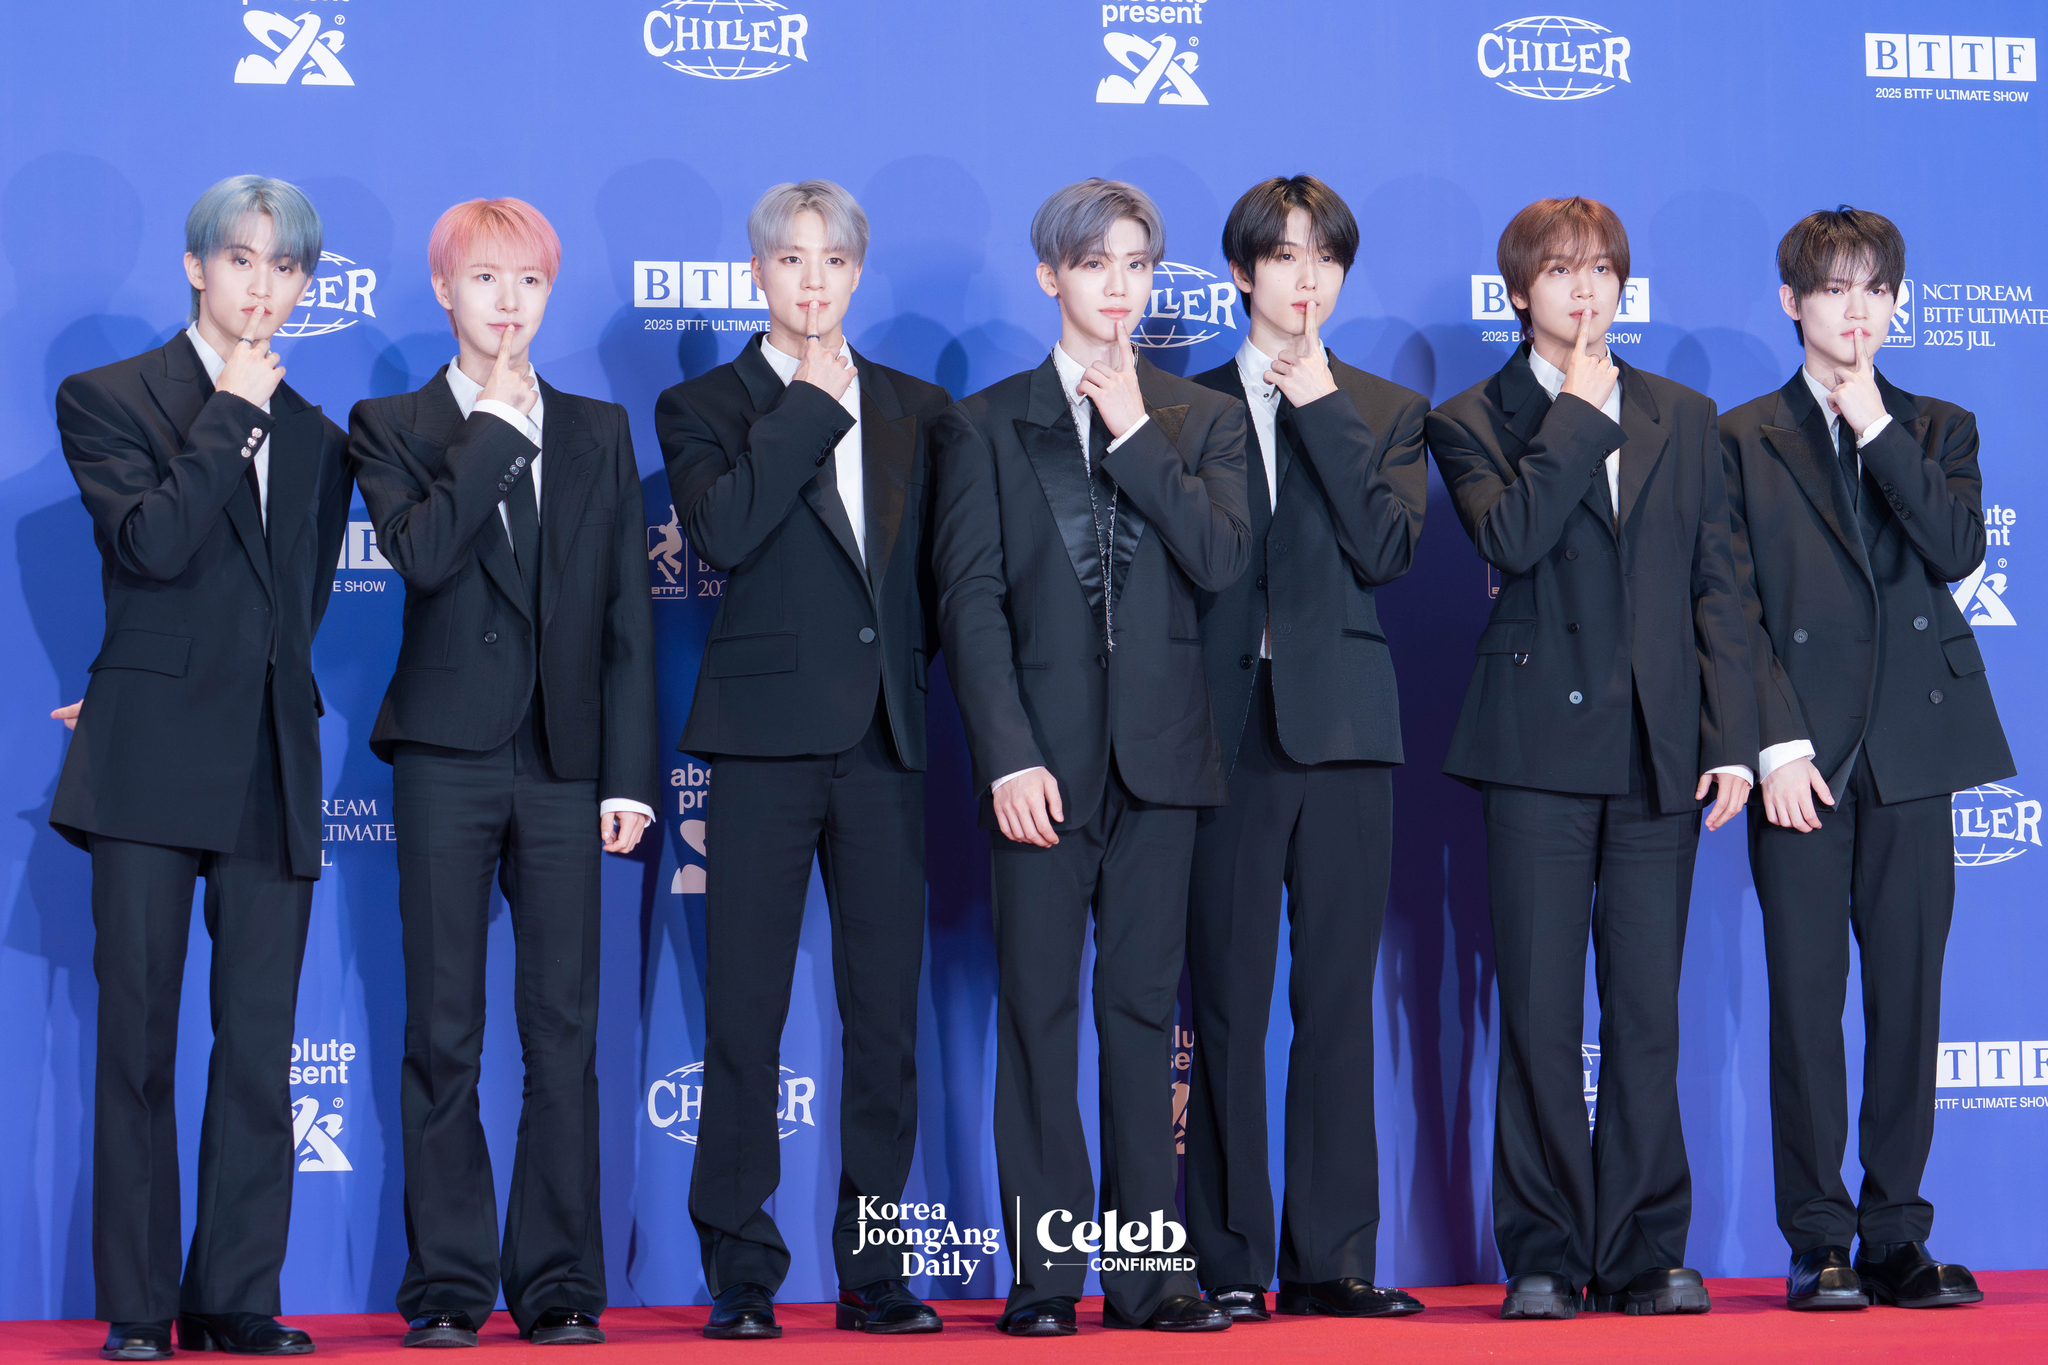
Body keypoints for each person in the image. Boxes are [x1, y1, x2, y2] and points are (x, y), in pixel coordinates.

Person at [1425, 197, 1757, 1320]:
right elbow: (1511, 538)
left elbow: (1716, 586)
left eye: (1602, 269)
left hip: (1658, 750)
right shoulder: (1471, 417)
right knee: (1537, 1009)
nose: (1585, 289)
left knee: (1647, 1010)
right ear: (1518, 292)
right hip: (1533, 750)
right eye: (1561, 271)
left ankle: (1642, 1248)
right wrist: (1573, 407)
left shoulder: (1682, 414)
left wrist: (1731, 738)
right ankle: (1542, 1249)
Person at [929, 178, 1250, 1336]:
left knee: (1140, 1018)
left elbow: (1220, 560)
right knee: (1037, 1018)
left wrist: (1135, 433)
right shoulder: (982, 423)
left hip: (1162, 763)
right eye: (1094, 263)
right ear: (1049, 276)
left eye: (1137, 265)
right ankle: (1045, 1278)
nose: (1119, 287)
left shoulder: (1200, 419)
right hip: (1041, 775)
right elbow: (968, 605)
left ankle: (1149, 1275)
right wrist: (1006, 756)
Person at [348, 198, 659, 1348]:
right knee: (443, 1031)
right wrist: (489, 424)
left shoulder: (597, 430)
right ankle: (446, 1288)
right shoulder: (391, 424)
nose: (509, 302)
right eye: (485, 279)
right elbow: (425, 555)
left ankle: (559, 1284)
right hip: (445, 758)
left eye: (527, 280)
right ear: (444, 290)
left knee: (562, 1034)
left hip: (568, 768)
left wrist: (627, 776)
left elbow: (626, 616)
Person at [50, 173, 350, 1360]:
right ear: (196, 267)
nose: (263, 285)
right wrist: (230, 409)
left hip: (268, 762)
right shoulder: (109, 396)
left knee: (260, 1049)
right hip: (147, 763)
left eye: (286, 267)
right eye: (241, 259)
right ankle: (138, 1309)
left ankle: (234, 1296)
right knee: (138, 1044)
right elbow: (153, 543)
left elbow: (296, 608)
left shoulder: (315, 433)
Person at [655, 180, 952, 1340]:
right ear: (757, 273)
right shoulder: (701, 405)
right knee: (744, 1016)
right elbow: (724, 532)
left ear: (857, 274)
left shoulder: (922, 408)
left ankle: (875, 1270)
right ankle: (740, 1272)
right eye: (790, 259)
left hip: (885, 740)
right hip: (762, 741)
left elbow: (944, 583)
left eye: (832, 261)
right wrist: (809, 410)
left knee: (883, 1024)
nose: (812, 280)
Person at [1722, 206, 2011, 1313]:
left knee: (1908, 998)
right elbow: (1730, 606)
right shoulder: (1741, 436)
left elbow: (1953, 549)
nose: (1856, 310)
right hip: (1800, 758)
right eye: (1833, 288)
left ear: (1895, 302)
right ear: (1791, 301)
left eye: (1874, 289)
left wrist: (1874, 422)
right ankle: (1817, 1239)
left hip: (1910, 750)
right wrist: (1773, 741)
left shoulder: (1937, 426)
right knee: (1804, 1007)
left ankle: (1895, 1233)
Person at [1181, 175, 1428, 1324]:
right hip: (1219, 733)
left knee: (1335, 1000)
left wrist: (1321, 404)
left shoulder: (1383, 408)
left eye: (1325, 257)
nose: (1306, 278)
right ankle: (1225, 1260)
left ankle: (1332, 1259)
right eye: (1283, 256)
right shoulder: (1177, 406)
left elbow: (1384, 551)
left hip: (1343, 734)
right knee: (1227, 1003)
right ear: (1241, 272)